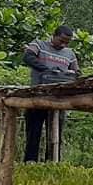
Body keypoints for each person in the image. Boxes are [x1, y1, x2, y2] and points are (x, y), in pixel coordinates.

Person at [23, 26, 79, 162]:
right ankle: (30, 162)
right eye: (61, 41)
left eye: (67, 42)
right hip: (38, 96)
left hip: (59, 99)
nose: (63, 44)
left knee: (56, 134)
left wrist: (69, 74)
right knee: (34, 132)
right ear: (54, 36)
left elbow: (77, 72)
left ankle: (52, 163)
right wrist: (47, 70)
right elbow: (28, 57)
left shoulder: (70, 54)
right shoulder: (39, 44)